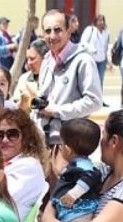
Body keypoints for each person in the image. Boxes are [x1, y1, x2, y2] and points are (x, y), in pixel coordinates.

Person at [34, 9, 102, 146]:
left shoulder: (83, 60)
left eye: (57, 30)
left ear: (68, 31)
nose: (52, 36)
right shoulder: (47, 60)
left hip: (67, 146)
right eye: (47, 31)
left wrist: (58, 111)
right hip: (41, 143)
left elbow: (94, 101)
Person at [38, 119, 102, 222]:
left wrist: (74, 194)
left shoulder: (84, 165)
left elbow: (90, 177)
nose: (59, 148)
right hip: (68, 206)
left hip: (80, 207)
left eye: (61, 144)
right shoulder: (75, 164)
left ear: (67, 149)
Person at [0, 108, 49, 221]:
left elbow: (0, 198)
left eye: (12, 134)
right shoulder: (0, 163)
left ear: (26, 137)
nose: (5, 140)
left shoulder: (29, 166)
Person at [12, 39, 50, 112]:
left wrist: (34, 97)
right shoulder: (24, 78)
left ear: (45, 58)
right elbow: (16, 105)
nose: (29, 63)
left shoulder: (56, 78)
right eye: (28, 59)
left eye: (32, 59)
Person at [80, 14, 110, 88]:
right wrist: (92, 49)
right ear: (96, 21)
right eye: (100, 20)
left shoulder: (106, 32)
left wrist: (109, 60)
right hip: (92, 59)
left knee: (100, 79)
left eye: (103, 20)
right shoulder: (90, 29)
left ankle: (99, 98)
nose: (102, 22)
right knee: (91, 79)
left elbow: (106, 46)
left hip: (102, 60)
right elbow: (83, 42)